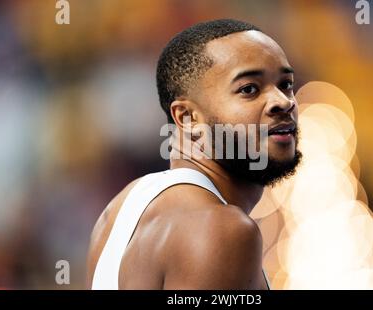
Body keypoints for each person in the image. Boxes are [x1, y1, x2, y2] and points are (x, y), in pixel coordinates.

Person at [87, 19, 302, 290]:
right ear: (187, 117)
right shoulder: (222, 229)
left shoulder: (120, 209)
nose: (284, 102)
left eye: (285, 84)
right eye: (249, 89)